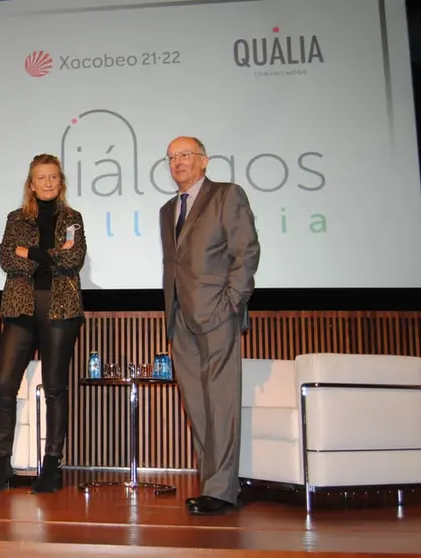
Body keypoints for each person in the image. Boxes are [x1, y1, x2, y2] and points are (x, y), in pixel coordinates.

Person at [159, 136, 260, 515]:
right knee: (198, 406)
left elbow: (246, 249)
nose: (178, 162)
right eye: (171, 158)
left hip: (217, 312)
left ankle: (220, 490)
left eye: (185, 155)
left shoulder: (226, 194)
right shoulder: (168, 209)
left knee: (220, 402)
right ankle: (217, 484)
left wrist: (233, 301)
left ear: (204, 161)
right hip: (180, 317)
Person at [0, 153, 85, 494]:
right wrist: (47, 255)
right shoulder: (16, 219)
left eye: (53, 177)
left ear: (61, 182)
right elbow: (8, 259)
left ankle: (52, 466)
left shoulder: (73, 218)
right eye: (41, 177)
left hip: (60, 308)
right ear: (31, 183)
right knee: (4, 387)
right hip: (20, 308)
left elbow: (74, 259)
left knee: (55, 388)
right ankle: (2, 465)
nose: (48, 183)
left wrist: (33, 252)